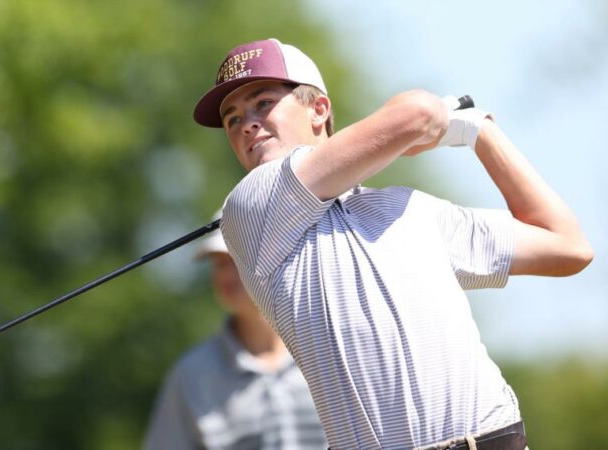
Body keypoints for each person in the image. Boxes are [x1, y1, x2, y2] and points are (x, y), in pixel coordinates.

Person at [191, 38, 593, 450]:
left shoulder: (409, 208)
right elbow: (416, 112)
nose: (246, 124)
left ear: (319, 110)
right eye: (232, 119)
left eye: (262, 103)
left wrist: (481, 132)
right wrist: (431, 125)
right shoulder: (250, 205)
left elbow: (567, 245)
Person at [143, 217, 328, 450]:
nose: (225, 275)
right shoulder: (190, 374)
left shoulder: (329, 352)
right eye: (218, 263)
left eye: (235, 258)